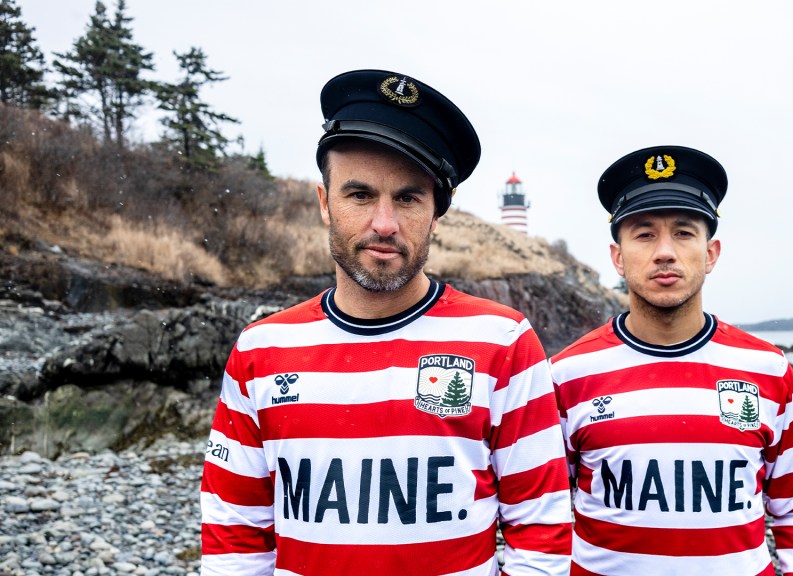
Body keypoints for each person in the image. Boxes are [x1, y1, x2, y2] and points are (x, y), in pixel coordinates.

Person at [200, 69, 572, 576]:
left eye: (408, 198)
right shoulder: (261, 349)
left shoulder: (503, 342)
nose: (384, 223)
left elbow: (541, 530)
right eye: (359, 195)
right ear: (324, 203)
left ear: (437, 212)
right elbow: (235, 530)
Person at [550, 146, 793, 575]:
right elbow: (540, 513)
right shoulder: (568, 374)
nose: (665, 252)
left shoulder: (769, 369)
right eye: (644, 234)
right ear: (618, 257)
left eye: (683, 233)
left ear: (711, 253)